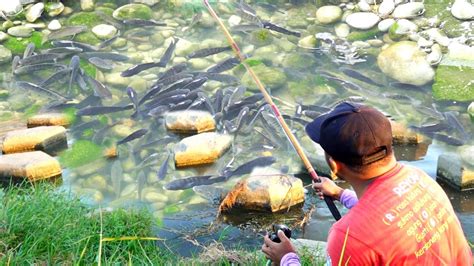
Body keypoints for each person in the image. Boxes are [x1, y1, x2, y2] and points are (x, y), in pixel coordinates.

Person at [261, 102, 473, 265]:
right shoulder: (419, 178)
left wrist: (287, 258)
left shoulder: (348, 237)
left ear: (333, 165)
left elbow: (374, 226)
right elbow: (391, 214)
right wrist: (340, 194)